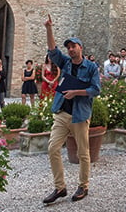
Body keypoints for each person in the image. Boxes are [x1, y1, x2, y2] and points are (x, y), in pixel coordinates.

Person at [42, 14, 101, 204]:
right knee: (52, 148)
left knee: (84, 153)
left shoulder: (91, 67)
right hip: (62, 112)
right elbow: (52, 50)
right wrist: (49, 28)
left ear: (80, 48)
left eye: (73, 46)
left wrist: (76, 92)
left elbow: (95, 90)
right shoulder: (65, 63)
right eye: (68, 47)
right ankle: (60, 188)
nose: (70, 49)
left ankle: (83, 185)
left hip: (80, 115)